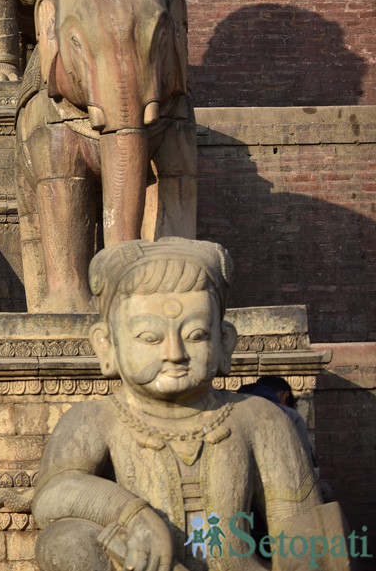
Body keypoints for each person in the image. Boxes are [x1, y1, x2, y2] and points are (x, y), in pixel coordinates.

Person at [32, 237, 350, 571]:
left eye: (196, 335)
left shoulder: (259, 418)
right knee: (64, 540)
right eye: (150, 338)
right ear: (106, 345)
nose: (174, 353)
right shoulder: (94, 419)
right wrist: (131, 513)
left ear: (224, 341)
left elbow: (300, 529)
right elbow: (54, 493)